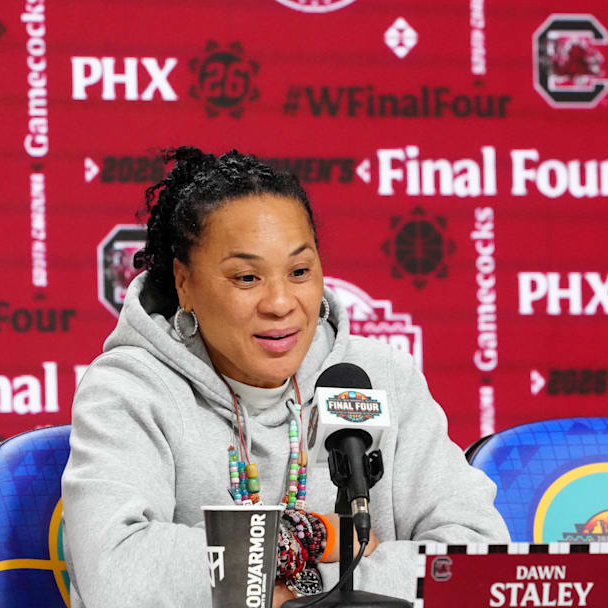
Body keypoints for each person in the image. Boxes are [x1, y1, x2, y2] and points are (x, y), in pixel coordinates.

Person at [61, 147, 510, 608]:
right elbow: (117, 570)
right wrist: (320, 538)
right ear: (184, 282)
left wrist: (288, 592)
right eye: (246, 277)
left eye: (299, 271)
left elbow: (475, 555)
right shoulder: (129, 389)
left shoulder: (382, 377)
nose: (280, 303)